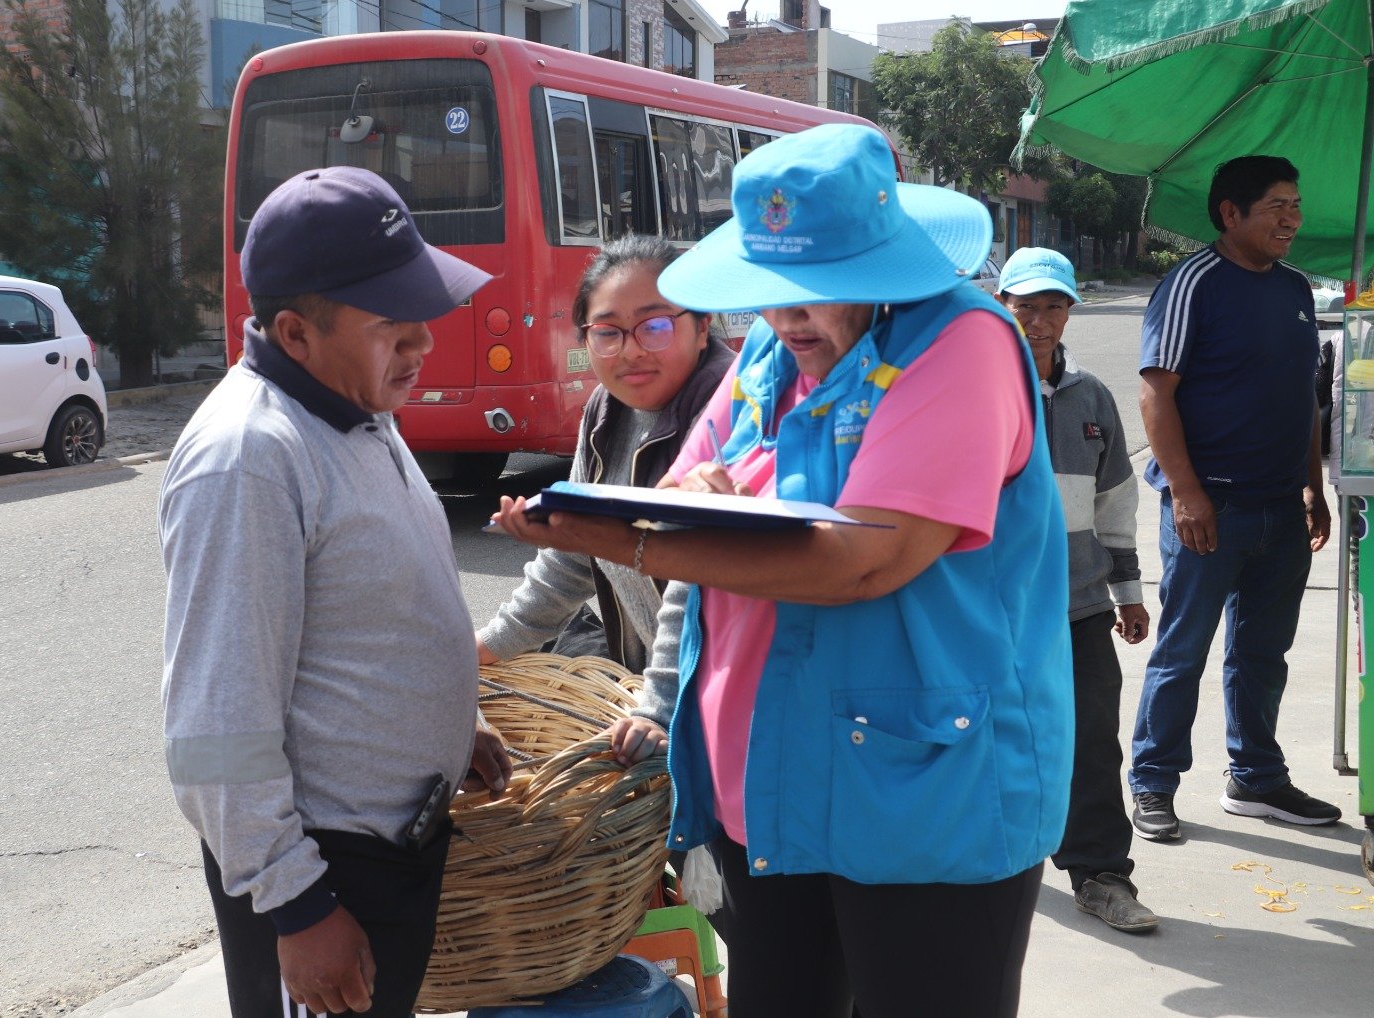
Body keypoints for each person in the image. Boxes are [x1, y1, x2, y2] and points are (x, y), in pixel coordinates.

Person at [492, 123, 1073, 1018]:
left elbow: (862, 562)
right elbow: (688, 476)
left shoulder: (962, 344)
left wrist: (635, 544)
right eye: (771, 293)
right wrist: (695, 492)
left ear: (882, 266)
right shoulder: (776, 347)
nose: (787, 317)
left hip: (927, 787)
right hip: (768, 774)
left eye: (817, 291)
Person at [159, 167, 512, 1018]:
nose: (424, 343)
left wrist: (444, 724)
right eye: (395, 325)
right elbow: (215, 725)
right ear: (295, 331)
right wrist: (296, 904)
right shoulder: (248, 457)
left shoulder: (357, 411)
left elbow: (362, 615)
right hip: (323, 873)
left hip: (384, 851)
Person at [1130, 155, 1339, 843]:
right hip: (1211, 510)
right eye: (1278, 204)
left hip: (1282, 508)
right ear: (1231, 213)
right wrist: (1186, 494)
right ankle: (1154, 782)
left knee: (1263, 653)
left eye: (1296, 204)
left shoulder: (1296, 289)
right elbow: (1156, 390)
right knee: (1182, 651)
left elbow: (1306, 401)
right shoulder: (1194, 283)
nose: (1293, 218)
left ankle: (1255, 777)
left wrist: (1313, 485)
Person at [476, 233, 735, 764]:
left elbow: (698, 581)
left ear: (702, 326)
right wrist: (488, 648)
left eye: (655, 326)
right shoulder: (604, 410)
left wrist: (658, 708)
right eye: (608, 332)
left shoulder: (727, 405)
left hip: (731, 700)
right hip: (662, 697)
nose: (632, 350)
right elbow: (573, 555)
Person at [998, 247, 1158, 934]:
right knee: (991, 740)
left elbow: (1116, 502)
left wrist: (1127, 590)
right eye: (1026, 307)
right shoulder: (976, 389)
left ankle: (1100, 874)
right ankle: (994, 865)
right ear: (1000, 307)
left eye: (1053, 307)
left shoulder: (1091, 396)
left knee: (1091, 740)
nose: (1040, 321)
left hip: (1081, 605)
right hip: (992, 611)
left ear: (1070, 312)